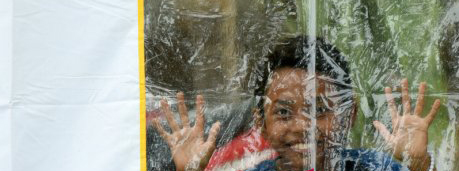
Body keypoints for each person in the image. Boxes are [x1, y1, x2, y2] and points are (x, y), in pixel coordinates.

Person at [153, 36, 440, 171]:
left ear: (349, 114)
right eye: (283, 112)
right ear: (260, 124)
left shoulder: (375, 167)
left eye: (320, 109)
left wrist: (415, 165)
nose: (303, 126)